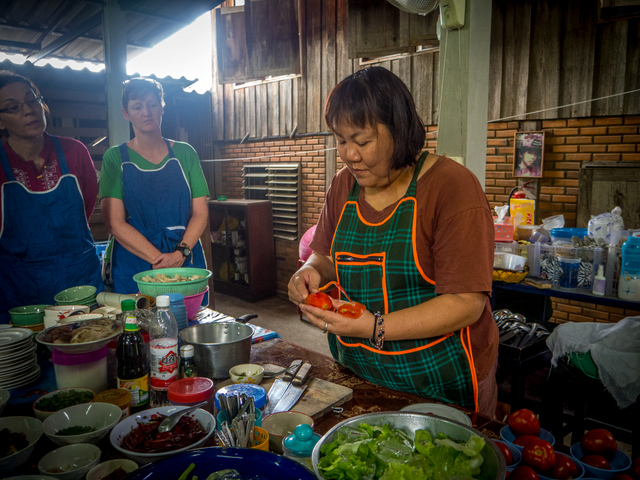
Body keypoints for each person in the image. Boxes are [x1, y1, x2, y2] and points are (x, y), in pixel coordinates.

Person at [288, 67, 499, 415]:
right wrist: (309, 271)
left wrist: (373, 326)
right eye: (341, 141)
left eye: (362, 141)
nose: (349, 155)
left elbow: (466, 303)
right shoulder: (344, 185)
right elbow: (325, 256)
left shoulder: (451, 188)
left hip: (436, 384)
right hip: (355, 374)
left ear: (399, 131)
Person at [0, 71, 103, 322]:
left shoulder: (74, 152)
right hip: (19, 290)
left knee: (89, 349)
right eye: (13, 107)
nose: (29, 110)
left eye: (32, 100)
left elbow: (86, 208)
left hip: (80, 280)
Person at [99, 78, 209, 295]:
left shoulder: (185, 153)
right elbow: (114, 222)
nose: (146, 112)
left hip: (183, 258)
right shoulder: (114, 158)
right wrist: (160, 260)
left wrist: (180, 254)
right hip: (136, 261)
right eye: (137, 106)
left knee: (189, 322)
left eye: (152, 104)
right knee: (138, 325)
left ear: (162, 107)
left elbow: (200, 213)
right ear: (126, 113)